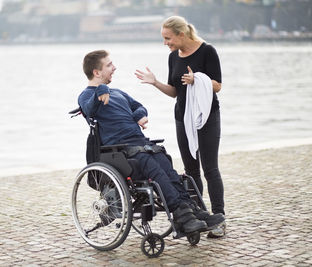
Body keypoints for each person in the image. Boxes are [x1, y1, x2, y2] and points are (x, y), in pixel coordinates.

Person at [78, 49, 224, 234]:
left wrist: (139, 115)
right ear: (96, 72)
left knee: (168, 168)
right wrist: (100, 90)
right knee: (153, 169)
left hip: (140, 144)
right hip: (119, 150)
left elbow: (138, 106)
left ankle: (192, 210)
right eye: (109, 65)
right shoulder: (86, 96)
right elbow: (89, 110)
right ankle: (182, 216)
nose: (114, 67)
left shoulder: (118, 93)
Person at [135, 16, 226, 238]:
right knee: (191, 170)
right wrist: (155, 82)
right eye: (164, 39)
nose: (166, 43)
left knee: (210, 169)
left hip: (206, 117)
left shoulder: (207, 51)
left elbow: (218, 86)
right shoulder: (172, 57)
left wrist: (198, 79)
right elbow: (176, 92)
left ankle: (219, 219)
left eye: (168, 38)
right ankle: (197, 216)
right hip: (182, 118)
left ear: (181, 34)